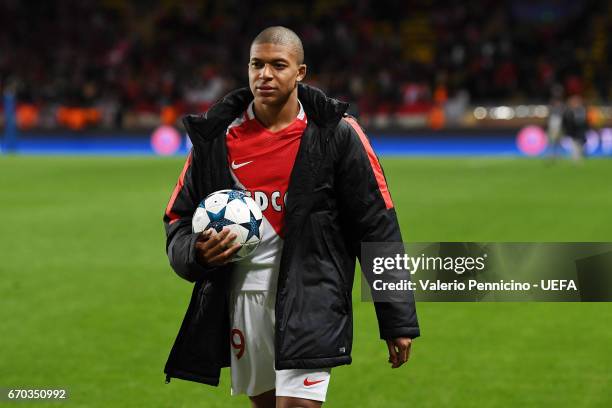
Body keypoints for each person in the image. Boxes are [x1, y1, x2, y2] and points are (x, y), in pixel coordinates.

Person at [163, 26, 420, 408]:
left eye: (278, 65)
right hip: (243, 299)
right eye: (256, 64)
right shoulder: (216, 138)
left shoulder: (337, 134)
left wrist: (396, 317)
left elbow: (376, 225)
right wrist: (196, 253)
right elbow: (178, 218)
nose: (265, 75)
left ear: (300, 72)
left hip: (312, 298)